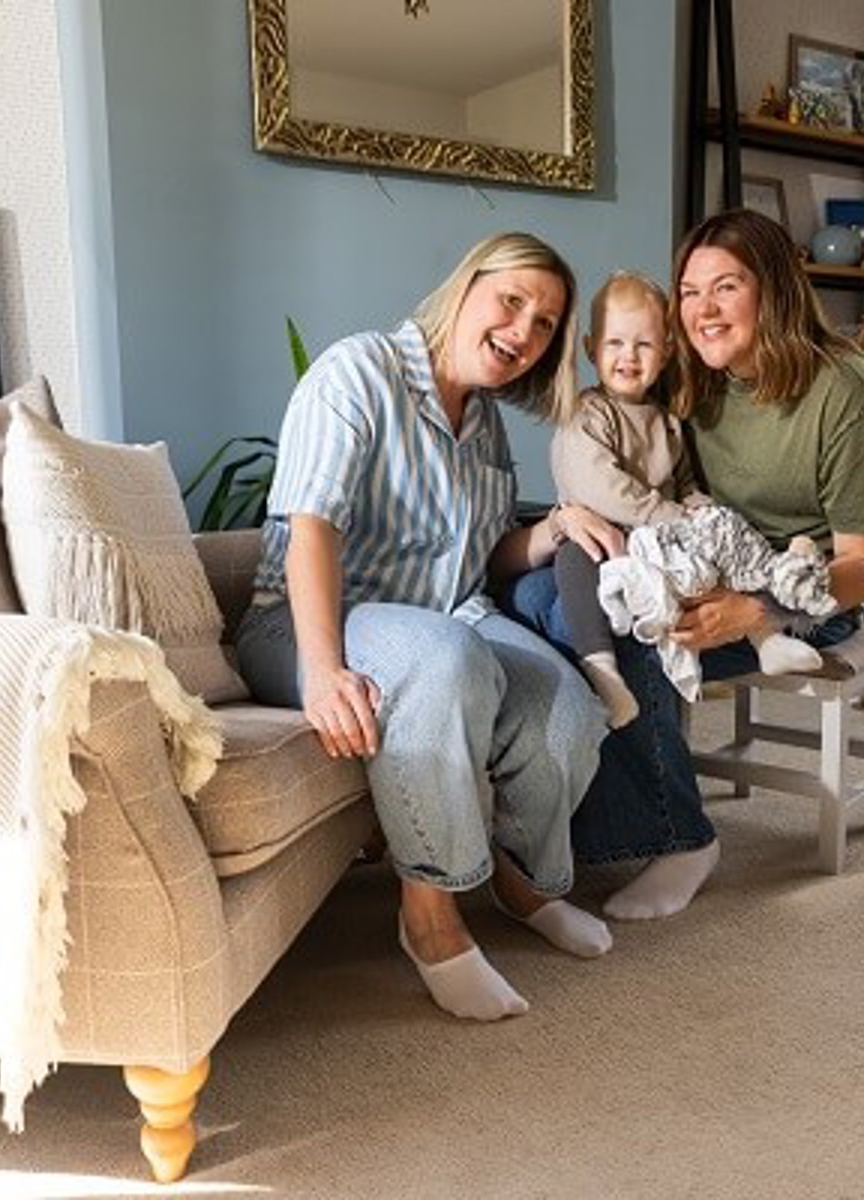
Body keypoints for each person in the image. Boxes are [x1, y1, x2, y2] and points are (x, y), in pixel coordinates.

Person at [235, 232, 626, 1022]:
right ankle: (430, 919)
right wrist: (326, 669)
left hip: (449, 616)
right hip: (312, 624)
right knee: (444, 656)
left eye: (546, 323)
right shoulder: (358, 371)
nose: (524, 331)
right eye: (512, 301)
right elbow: (311, 525)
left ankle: (519, 884)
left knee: (568, 705)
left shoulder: (482, 423)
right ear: (465, 287)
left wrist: (552, 528)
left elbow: (484, 555)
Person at [510, 209, 864, 921]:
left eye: (726, 287)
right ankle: (577, 819)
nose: (702, 310)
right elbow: (613, 417)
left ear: (774, 291)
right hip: (695, 559)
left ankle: (683, 839)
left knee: (626, 635)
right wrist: (576, 515)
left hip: (800, 592)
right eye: (689, 291)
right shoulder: (696, 376)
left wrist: (759, 610)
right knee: (542, 596)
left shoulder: (844, 393)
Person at [551, 271, 831, 729]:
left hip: (662, 538)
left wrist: (702, 511)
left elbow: (682, 484)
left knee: (725, 540)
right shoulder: (587, 413)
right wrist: (674, 518)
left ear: (665, 352)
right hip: (606, 536)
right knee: (572, 563)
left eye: (643, 345)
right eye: (615, 343)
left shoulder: (666, 421)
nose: (628, 356)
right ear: (590, 348)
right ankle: (601, 668)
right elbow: (601, 486)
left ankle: (767, 638)